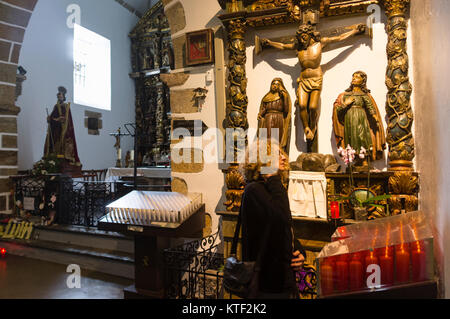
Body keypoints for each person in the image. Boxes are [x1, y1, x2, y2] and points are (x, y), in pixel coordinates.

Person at [261, 23, 366, 151]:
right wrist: (270, 43)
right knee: (302, 105)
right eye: (300, 37)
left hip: (316, 78)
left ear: (310, 35)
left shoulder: (320, 43)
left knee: (312, 106)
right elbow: (283, 46)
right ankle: (306, 127)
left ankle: (313, 126)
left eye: (304, 36)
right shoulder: (298, 47)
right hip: (304, 79)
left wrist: (354, 31)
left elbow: (339, 37)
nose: (302, 40)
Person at [239, 140, 306, 298]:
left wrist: (298, 250)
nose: (284, 158)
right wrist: (274, 178)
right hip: (267, 282)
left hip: (281, 275)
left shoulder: (267, 187)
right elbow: (280, 218)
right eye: (278, 154)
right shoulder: (253, 190)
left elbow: (282, 228)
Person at [332, 71, 386, 164]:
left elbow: (370, 106)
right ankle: (355, 159)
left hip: (360, 118)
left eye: (357, 77)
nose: (354, 78)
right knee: (350, 138)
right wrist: (345, 104)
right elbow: (338, 111)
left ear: (363, 81)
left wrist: (374, 116)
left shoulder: (364, 95)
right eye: (353, 76)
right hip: (349, 120)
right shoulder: (345, 95)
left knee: (362, 137)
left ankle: (364, 159)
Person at [44, 86, 82, 175]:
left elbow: (67, 119)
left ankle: (65, 157)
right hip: (56, 130)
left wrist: (61, 119)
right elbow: (53, 117)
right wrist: (50, 119)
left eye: (60, 96)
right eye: (58, 96)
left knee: (63, 143)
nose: (59, 97)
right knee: (55, 144)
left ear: (64, 97)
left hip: (63, 130)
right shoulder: (55, 106)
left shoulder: (65, 106)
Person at [258, 78, 292, 154]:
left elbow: (286, 110)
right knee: (268, 137)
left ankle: (277, 155)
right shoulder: (266, 97)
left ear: (280, 86)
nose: (274, 86)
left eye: (277, 84)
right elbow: (264, 108)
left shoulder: (283, 96)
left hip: (279, 118)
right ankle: (268, 156)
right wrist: (260, 114)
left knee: (277, 138)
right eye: (273, 84)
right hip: (268, 118)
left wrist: (285, 97)